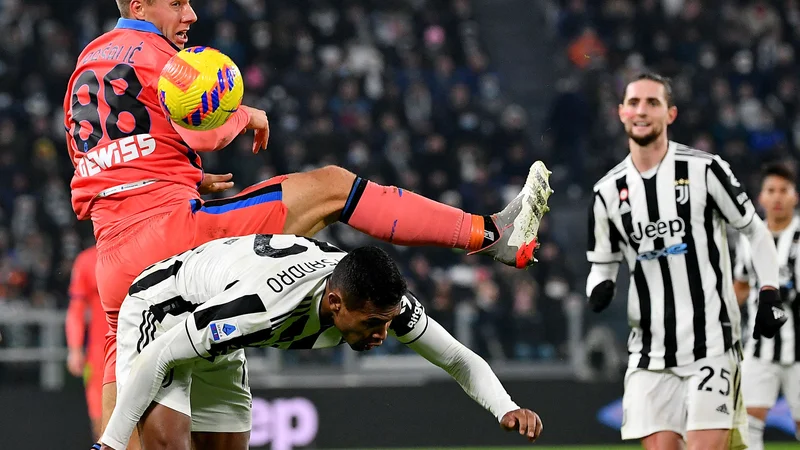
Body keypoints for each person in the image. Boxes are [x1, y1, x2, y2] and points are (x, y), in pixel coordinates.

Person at [63, 0, 554, 440]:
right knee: (332, 187)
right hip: (175, 237)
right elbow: (206, 128)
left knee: (119, 417)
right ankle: (489, 235)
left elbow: (109, 165)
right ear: (138, 5)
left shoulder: (87, 63)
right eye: (176, 3)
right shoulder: (164, 61)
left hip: (115, 258)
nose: (190, 15)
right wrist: (245, 113)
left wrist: (179, 177)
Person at [94, 234, 544, 450]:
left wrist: (505, 407)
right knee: (168, 447)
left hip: (219, 333)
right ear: (335, 302)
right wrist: (109, 444)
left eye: (386, 323)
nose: (382, 335)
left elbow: (458, 360)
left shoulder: (379, 301)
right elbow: (162, 355)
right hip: (167, 310)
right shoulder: (260, 307)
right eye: (373, 324)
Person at [585, 72, 787, 450]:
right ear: (621, 113)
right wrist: (600, 285)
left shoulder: (705, 170)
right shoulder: (606, 192)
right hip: (648, 353)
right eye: (634, 103)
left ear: (670, 114)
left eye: (652, 103)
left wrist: (769, 291)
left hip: (711, 344)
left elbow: (755, 231)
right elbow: (603, 260)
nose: (641, 110)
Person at [733, 163, 800, 450]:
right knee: (750, 423)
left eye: (784, 190)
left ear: (795, 196)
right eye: (771, 190)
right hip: (759, 346)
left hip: (799, 348)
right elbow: (741, 285)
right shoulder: (749, 239)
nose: (777, 197)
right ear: (760, 197)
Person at [65, 245, 108, 440]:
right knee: (101, 425)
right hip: (99, 357)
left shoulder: (141, 249)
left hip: (137, 351)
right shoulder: (87, 260)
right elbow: (76, 309)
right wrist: (74, 349)